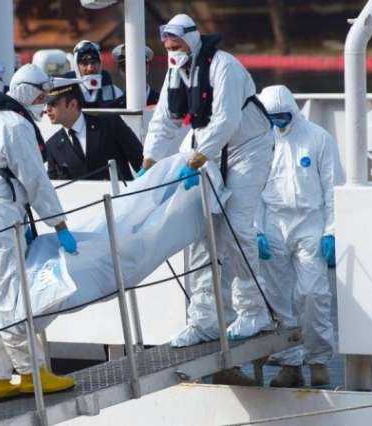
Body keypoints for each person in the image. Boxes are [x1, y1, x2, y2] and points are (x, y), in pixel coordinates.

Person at [141, 14, 275, 384]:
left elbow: (227, 119)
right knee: (201, 232)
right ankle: (204, 319)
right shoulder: (175, 72)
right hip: (210, 150)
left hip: (248, 148)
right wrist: (150, 158)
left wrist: (199, 156)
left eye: (177, 45)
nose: (172, 52)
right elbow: (166, 120)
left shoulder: (224, 67)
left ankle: (253, 310)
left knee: (236, 230)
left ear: (193, 41)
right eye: (167, 47)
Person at [0, 65, 77, 403]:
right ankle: (32, 373)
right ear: (29, 91)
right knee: (12, 295)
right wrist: (59, 224)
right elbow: (35, 179)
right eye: (42, 92)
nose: (46, 100)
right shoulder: (15, 123)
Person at [256, 85, 339, 388]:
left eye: (282, 116)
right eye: (272, 117)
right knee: (278, 299)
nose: (278, 122)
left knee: (313, 294)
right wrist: (257, 230)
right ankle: (290, 364)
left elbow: (333, 188)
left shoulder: (318, 138)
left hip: (310, 223)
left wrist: (332, 230)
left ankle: (318, 359)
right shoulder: (261, 141)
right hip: (273, 222)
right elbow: (251, 190)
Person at [45, 79, 143, 180]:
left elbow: (141, 163)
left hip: (119, 194)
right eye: (47, 104)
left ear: (72, 104)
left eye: (53, 104)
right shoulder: (52, 145)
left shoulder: (110, 125)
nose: (48, 109)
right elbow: (54, 185)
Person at [63, 40, 125, 108]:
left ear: (100, 64)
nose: (90, 68)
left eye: (94, 62)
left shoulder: (115, 92)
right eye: (85, 64)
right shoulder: (65, 93)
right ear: (77, 66)